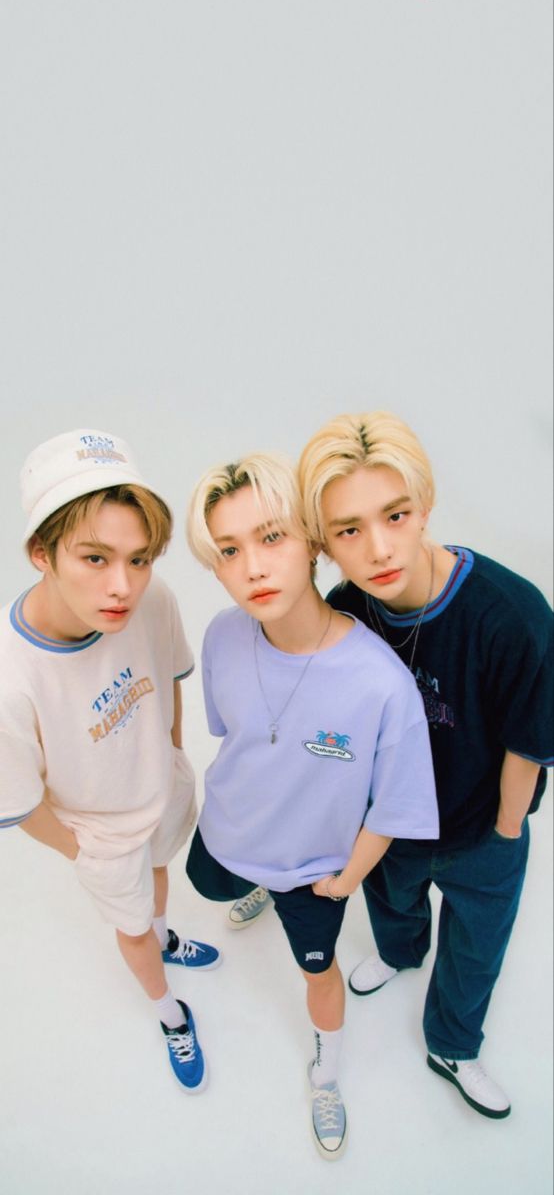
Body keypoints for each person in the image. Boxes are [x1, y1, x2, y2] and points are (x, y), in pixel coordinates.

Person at [298, 411, 554, 1119]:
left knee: (474, 950)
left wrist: (504, 834)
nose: (379, 547)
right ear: (324, 544)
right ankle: (400, 955)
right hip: (391, 826)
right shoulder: (345, 611)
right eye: (349, 530)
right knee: (393, 906)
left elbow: (528, 741)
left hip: (481, 829)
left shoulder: (513, 614)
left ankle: (453, 1045)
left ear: (425, 505)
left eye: (396, 514)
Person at [185, 452, 438, 1159]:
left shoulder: (381, 686)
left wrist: (346, 880)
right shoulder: (221, 637)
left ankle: (326, 1069)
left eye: (272, 538)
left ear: (311, 541)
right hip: (230, 833)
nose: (254, 568)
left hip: (315, 869)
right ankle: (253, 887)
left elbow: (395, 808)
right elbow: (235, 739)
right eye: (229, 551)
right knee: (206, 884)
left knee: (316, 972)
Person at [0, 428, 221, 1093]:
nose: (122, 585)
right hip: (102, 835)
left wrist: (175, 753)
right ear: (41, 551)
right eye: (95, 558)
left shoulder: (153, 600)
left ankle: (165, 934)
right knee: (131, 930)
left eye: (139, 558)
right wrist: (87, 852)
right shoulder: (12, 682)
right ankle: (168, 1011)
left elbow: (171, 673)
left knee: (159, 881)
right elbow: (22, 802)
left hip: (160, 788)